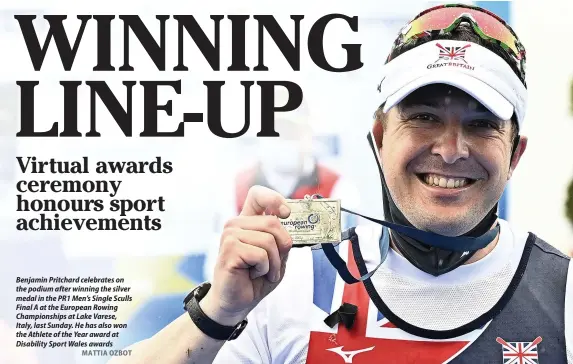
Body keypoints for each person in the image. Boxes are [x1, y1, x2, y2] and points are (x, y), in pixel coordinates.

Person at [109, 4, 573, 363]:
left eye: (480, 124)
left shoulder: (565, 294)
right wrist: (217, 313)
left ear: (514, 154)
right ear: (379, 139)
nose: (451, 149)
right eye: (425, 117)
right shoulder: (290, 284)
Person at [204, 94, 362, 281]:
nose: (282, 139)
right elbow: (216, 267)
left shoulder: (340, 190)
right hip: (251, 305)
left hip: (321, 304)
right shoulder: (233, 189)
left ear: (308, 133)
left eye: (291, 131)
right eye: (275, 129)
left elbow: (354, 264)